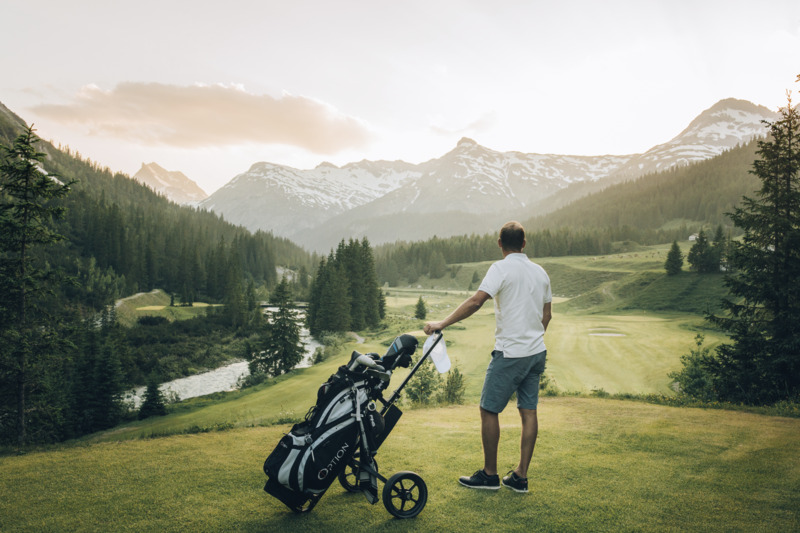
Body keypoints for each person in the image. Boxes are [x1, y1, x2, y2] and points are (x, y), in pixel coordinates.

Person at [423, 221, 551, 493]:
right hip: (536, 352)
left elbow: (475, 302)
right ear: (524, 244)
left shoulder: (500, 268)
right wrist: (532, 340)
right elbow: (547, 316)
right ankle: (520, 477)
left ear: (500, 243)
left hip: (511, 352)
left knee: (488, 409)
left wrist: (441, 324)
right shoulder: (541, 273)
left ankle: (490, 475)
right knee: (529, 412)